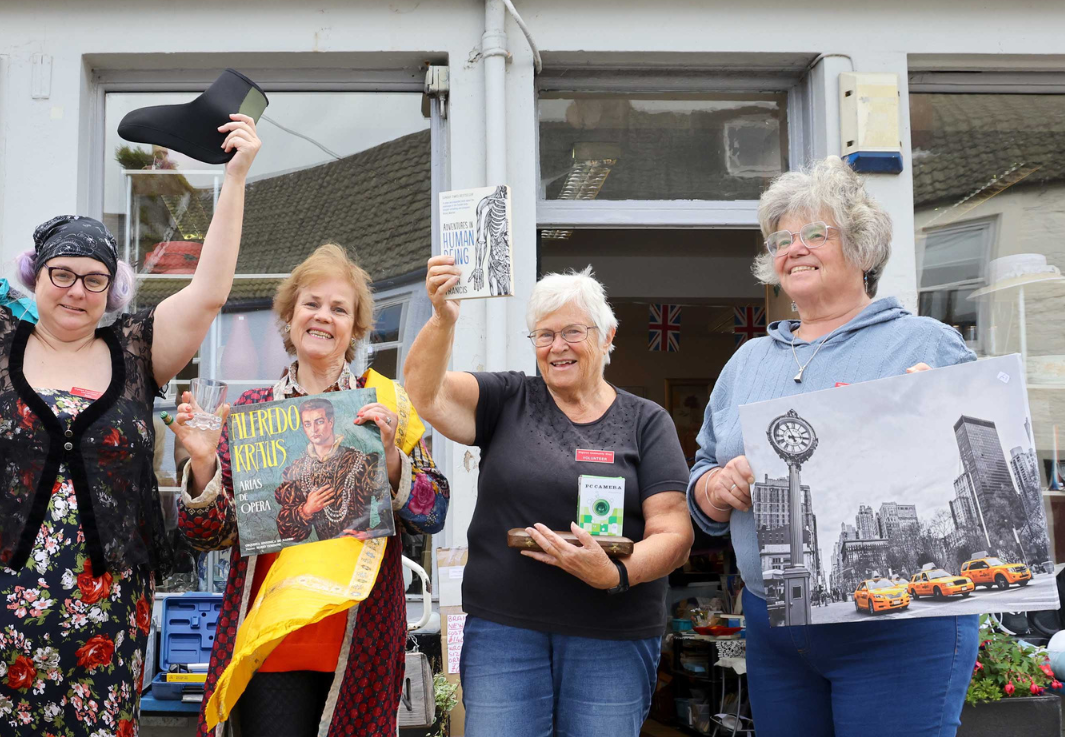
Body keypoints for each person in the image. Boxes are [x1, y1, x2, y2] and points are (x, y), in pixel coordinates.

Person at [0, 64, 259, 737]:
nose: (77, 290)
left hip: (103, 624)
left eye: (94, 279)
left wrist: (232, 181)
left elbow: (207, 292)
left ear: (111, 291)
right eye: (62, 273)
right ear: (37, 276)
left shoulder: (137, 353)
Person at [689, 156, 978, 736]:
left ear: (863, 248)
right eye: (781, 238)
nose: (794, 248)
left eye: (815, 234)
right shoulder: (746, 363)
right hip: (776, 628)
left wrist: (933, 414)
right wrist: (717, 488)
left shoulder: (922, 344)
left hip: (896, 626)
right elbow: (701, 473)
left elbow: (977, 454)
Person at [403, 263, 694, 737]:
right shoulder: (507, 399)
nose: (557, 347)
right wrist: (442, 319)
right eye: (544, 335)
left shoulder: (647, 421)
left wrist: (615, 573)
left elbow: (675, 534)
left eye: (572, 332)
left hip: (612, 639)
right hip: (505, 634)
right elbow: (423, 393)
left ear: (607, 336)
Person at [173, 243, 449, 737]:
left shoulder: (387, 405)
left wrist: (390, 459)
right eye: (312, 304)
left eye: (339, 309)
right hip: (271, 641)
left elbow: (434, 512)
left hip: (360, 642)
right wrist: (202, 462)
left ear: (356, 327)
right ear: (290, 316)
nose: (323, 317)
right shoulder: (251, 412)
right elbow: (206, 534)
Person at [275, 397, 387, 542]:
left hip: (358, 553)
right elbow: (288, 534)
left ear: (330, 422)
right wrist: (306, 510)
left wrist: (373, 533)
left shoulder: (361, 462)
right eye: (307, 424)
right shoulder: (297, 470)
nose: (314, 429)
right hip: (318, 558)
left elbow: (389, 511)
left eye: (319, 421)